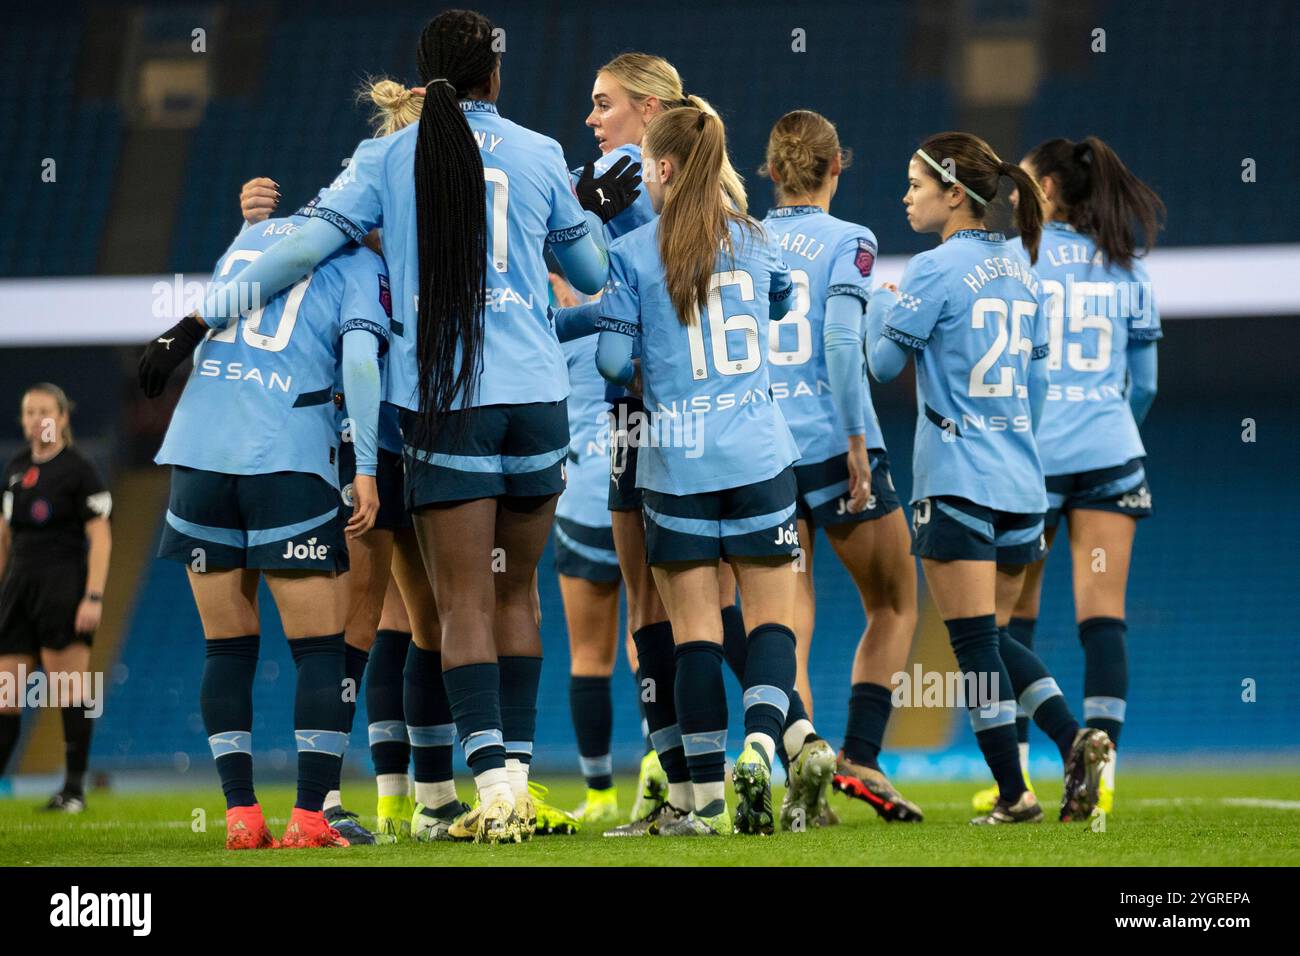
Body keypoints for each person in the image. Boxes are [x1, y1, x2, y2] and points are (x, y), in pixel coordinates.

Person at [141, 10, 640, 844]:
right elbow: (588, 273)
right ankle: (508, 775)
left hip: (443, 404)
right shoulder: (542, 152)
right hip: (537, 401)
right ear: (495, 76)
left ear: (423, 78)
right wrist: (582, 215)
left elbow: (300, 253)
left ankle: (479, 788)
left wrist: (191, 324)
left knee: (452, 602)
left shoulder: (385, 157)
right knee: (516, 590)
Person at [864, 131, 1111, 823]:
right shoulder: (1021, 270)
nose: (906, 196)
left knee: (974, 645)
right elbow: (1035, 389)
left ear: (953, 194)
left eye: (915, 184)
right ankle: (1076, 739)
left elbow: (882, 366)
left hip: (957, 477)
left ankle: (1016, 791)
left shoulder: (933, 270)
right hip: (1021, 483)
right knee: (996, 639)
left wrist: (878, 306)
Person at [148, 211, 387, 849]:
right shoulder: (362, 264)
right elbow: (361, 362)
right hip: (284, 456)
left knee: (225, 647)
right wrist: (366, 465)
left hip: (198, 453)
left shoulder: (253, 235)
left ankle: (240, 816)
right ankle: (311, 817)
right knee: (319, 650)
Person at [595, 106, 803, 836]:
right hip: (759, 454)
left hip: (676, 459)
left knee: (694, 636)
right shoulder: (757, 238)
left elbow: (612, 365)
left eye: (648, 165)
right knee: (772, 621)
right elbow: (780, 305)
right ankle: (759, 747)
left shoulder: (634, 253)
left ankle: (707, 804)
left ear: (665, 167)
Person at [971, 136, 1164, 816]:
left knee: (1007, 624)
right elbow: (1144, 384)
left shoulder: (1018, 254)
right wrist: (1109, 420)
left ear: (1046, 191)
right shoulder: (1127, 265)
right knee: (1102, 620)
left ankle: (1015, 775)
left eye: (1020, 184)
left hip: (1035, 458)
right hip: (1111, 453)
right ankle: (1100, 768)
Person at [757, 110, 923, 824]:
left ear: (768, 172)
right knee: (895, 599)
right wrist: (857, 439)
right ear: (836, 168)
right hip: (831, 442)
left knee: (788, 620)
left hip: (762, 450)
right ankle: (860, 753)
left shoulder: (743, 237)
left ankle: (803, 769)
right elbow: (838, 340)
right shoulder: (850, 240)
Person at [0, 384, 112, 813]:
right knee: (7, 694)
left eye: (45, 411)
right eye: (29, 411)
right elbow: (5, 537)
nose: (36, 419)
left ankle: (74, 790)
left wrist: (94, 596)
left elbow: (100, 538)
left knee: (69, 690)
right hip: (18, 591)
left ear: (63, 417)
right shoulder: (14, 468)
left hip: (62, 588)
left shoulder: (80, 470)